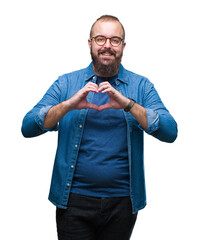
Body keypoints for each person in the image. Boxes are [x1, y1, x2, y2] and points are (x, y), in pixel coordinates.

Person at [21, 15, 178, 240]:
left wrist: (129, 105)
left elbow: (170, 132)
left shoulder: (141, 86)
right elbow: (28, 127)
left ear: (123, 46)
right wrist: (67, 105)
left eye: (114, 40)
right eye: (100, 38)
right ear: (90, 43)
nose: (107, 45)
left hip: (123, 203)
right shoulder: (66, 83)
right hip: (73, 201)